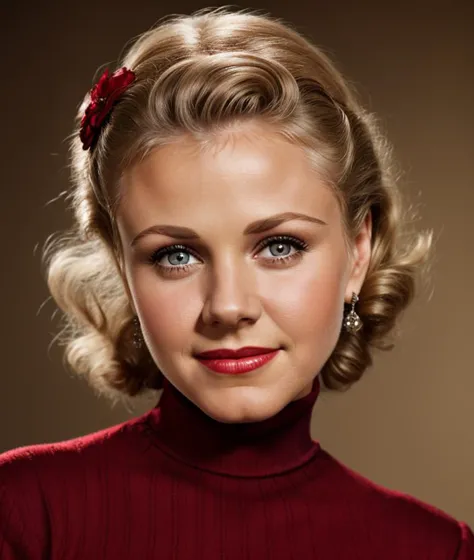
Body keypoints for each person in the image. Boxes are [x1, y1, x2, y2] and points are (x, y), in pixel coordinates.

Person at [1, 6, 472, 559]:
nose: (228, 306)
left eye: (280, 247)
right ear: (122, 266)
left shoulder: (435, 551)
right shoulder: (25, 514)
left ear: (358, 253)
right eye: (176, 254)